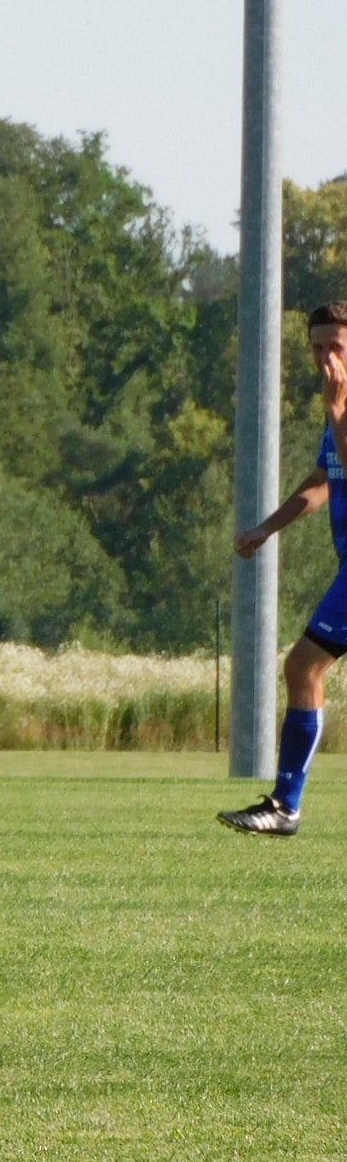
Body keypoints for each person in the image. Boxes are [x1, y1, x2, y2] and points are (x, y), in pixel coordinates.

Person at [219, 300, 347, 836]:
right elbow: (323, 482)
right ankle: (284, 806)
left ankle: (285, 806)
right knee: (303, 669)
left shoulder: (340, 406)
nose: (325, 357)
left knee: (303, 668)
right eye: (317, 347)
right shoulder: (337, 407)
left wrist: (337, 411)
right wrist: (265, 528)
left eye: (336, 346)